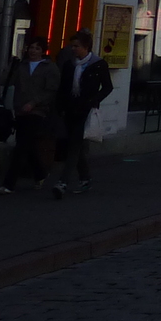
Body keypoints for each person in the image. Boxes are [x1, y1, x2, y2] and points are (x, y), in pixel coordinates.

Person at [50, 29, 113, 198]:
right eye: (72, 46)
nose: (73, 49)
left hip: (86, 109)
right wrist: (60, 106)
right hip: (70, 109)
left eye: (76, 46)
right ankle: (85, 178)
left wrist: (94, 100)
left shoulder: (98, 64)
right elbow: (63, 88)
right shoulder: (70, 65)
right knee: (73, 143)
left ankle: (63, 182)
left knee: (74, 145)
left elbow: (108, 86)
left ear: (86, 47)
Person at [0, 36, 59, 195]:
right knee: (26, 144)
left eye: (37, 48)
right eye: (31, 47)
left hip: (38, 111)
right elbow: (4, 81)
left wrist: (34, 103)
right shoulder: (21, 66)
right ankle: (41, 174)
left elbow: (51, 90)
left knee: (21, 146)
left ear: (42, 51)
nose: (33, 51)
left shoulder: (49, 68)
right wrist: (11, 66)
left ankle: (9, 184)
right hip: (20, 109)